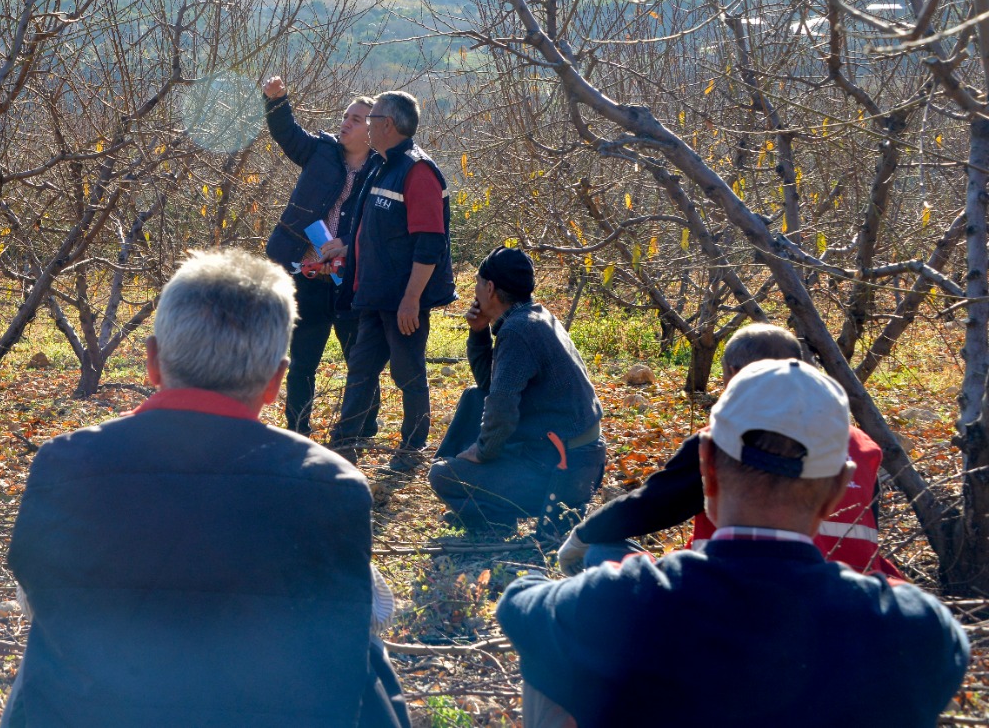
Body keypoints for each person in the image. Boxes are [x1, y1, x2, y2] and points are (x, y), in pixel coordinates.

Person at [1, 248, 410, 728]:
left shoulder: (65, 465)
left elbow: (37, 596)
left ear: (153, 361)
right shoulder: (331, 484)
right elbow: (359, 623)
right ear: (277, 380)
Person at [496, 359, 969, 728]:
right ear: (839, 488)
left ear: (706, 465)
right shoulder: (917, 631)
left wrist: (572, 580)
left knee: (552, 662)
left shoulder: (620, 603)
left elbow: (518, 607)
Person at [556, 322, 901, 576]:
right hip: (843, 594)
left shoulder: (724, 437)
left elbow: (654, 505)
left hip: (731, 589)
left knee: (601, 549)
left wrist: (583, 534)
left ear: (734, 375)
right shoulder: (863, 446)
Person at [426, 246, 604, 535]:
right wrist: (478, 332)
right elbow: (489, 387)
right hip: (578, 460)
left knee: (442, 476)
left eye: (478, 283)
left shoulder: (518, 331)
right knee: (474, 397)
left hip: (561, 469)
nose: (475, 290)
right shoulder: (535, 317)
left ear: (491, 288)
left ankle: (492, 515)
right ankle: (479, 500)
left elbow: (502, 409)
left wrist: (482, 453)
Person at [323, 90, 456, 471]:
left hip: (402, 302)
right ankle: (343, 445)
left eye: (372, 118)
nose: (366, 124)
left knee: (408, 374)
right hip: (374, 296)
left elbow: (430, 243)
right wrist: (346, 247)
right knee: (361, 370)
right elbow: (376, 231)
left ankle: (412, 449)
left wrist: (412, 299)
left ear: (389, 125)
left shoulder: (418, 171)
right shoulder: (383, 166)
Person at [261, 74, 380, 436]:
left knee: (358, 362)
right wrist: (277, 100)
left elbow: (380, 225)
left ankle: (364, 428)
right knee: (302, 363)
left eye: (356, 119)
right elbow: (287, 133)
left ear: (373, 129)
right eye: (346, 116)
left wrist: (347, 243)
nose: (345, 122)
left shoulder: (382, 170)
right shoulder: (321, 152)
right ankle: (298, 430)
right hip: (308, 276)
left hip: (350, 281)